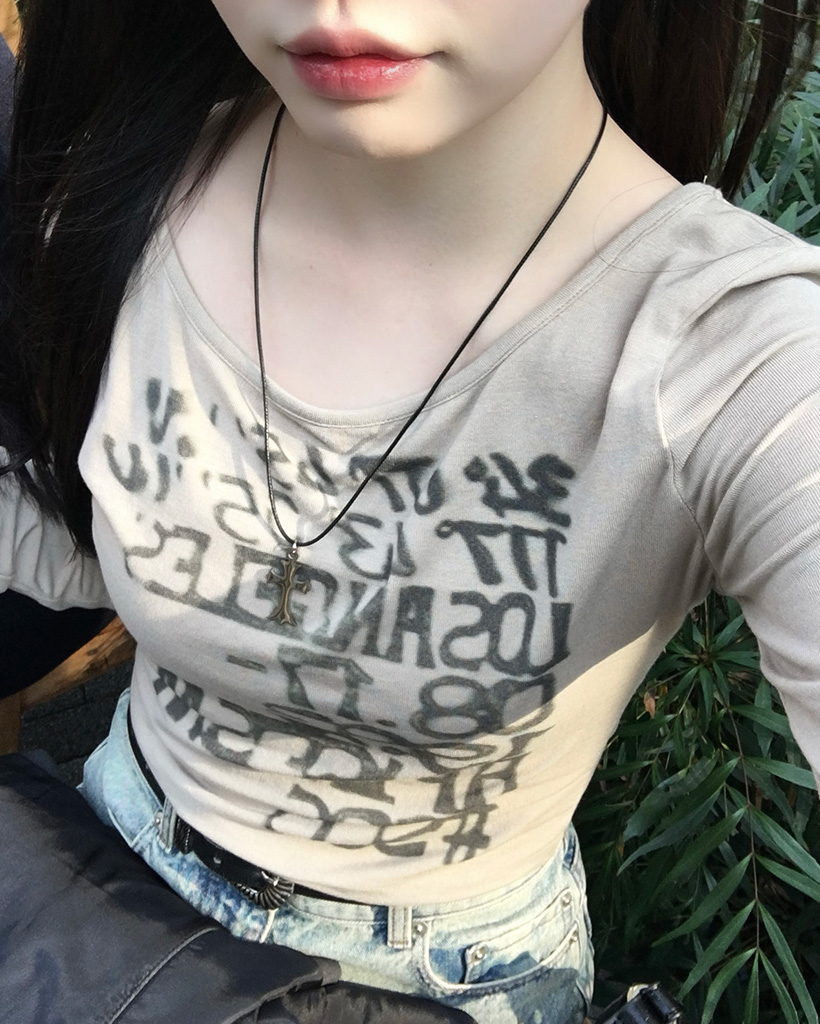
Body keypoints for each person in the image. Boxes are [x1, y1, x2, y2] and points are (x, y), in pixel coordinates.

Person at [2, 3, 819, 1022]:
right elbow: (80, 543)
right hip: (94, 900)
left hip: (432, 984)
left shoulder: (737, 357)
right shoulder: (124, 194)